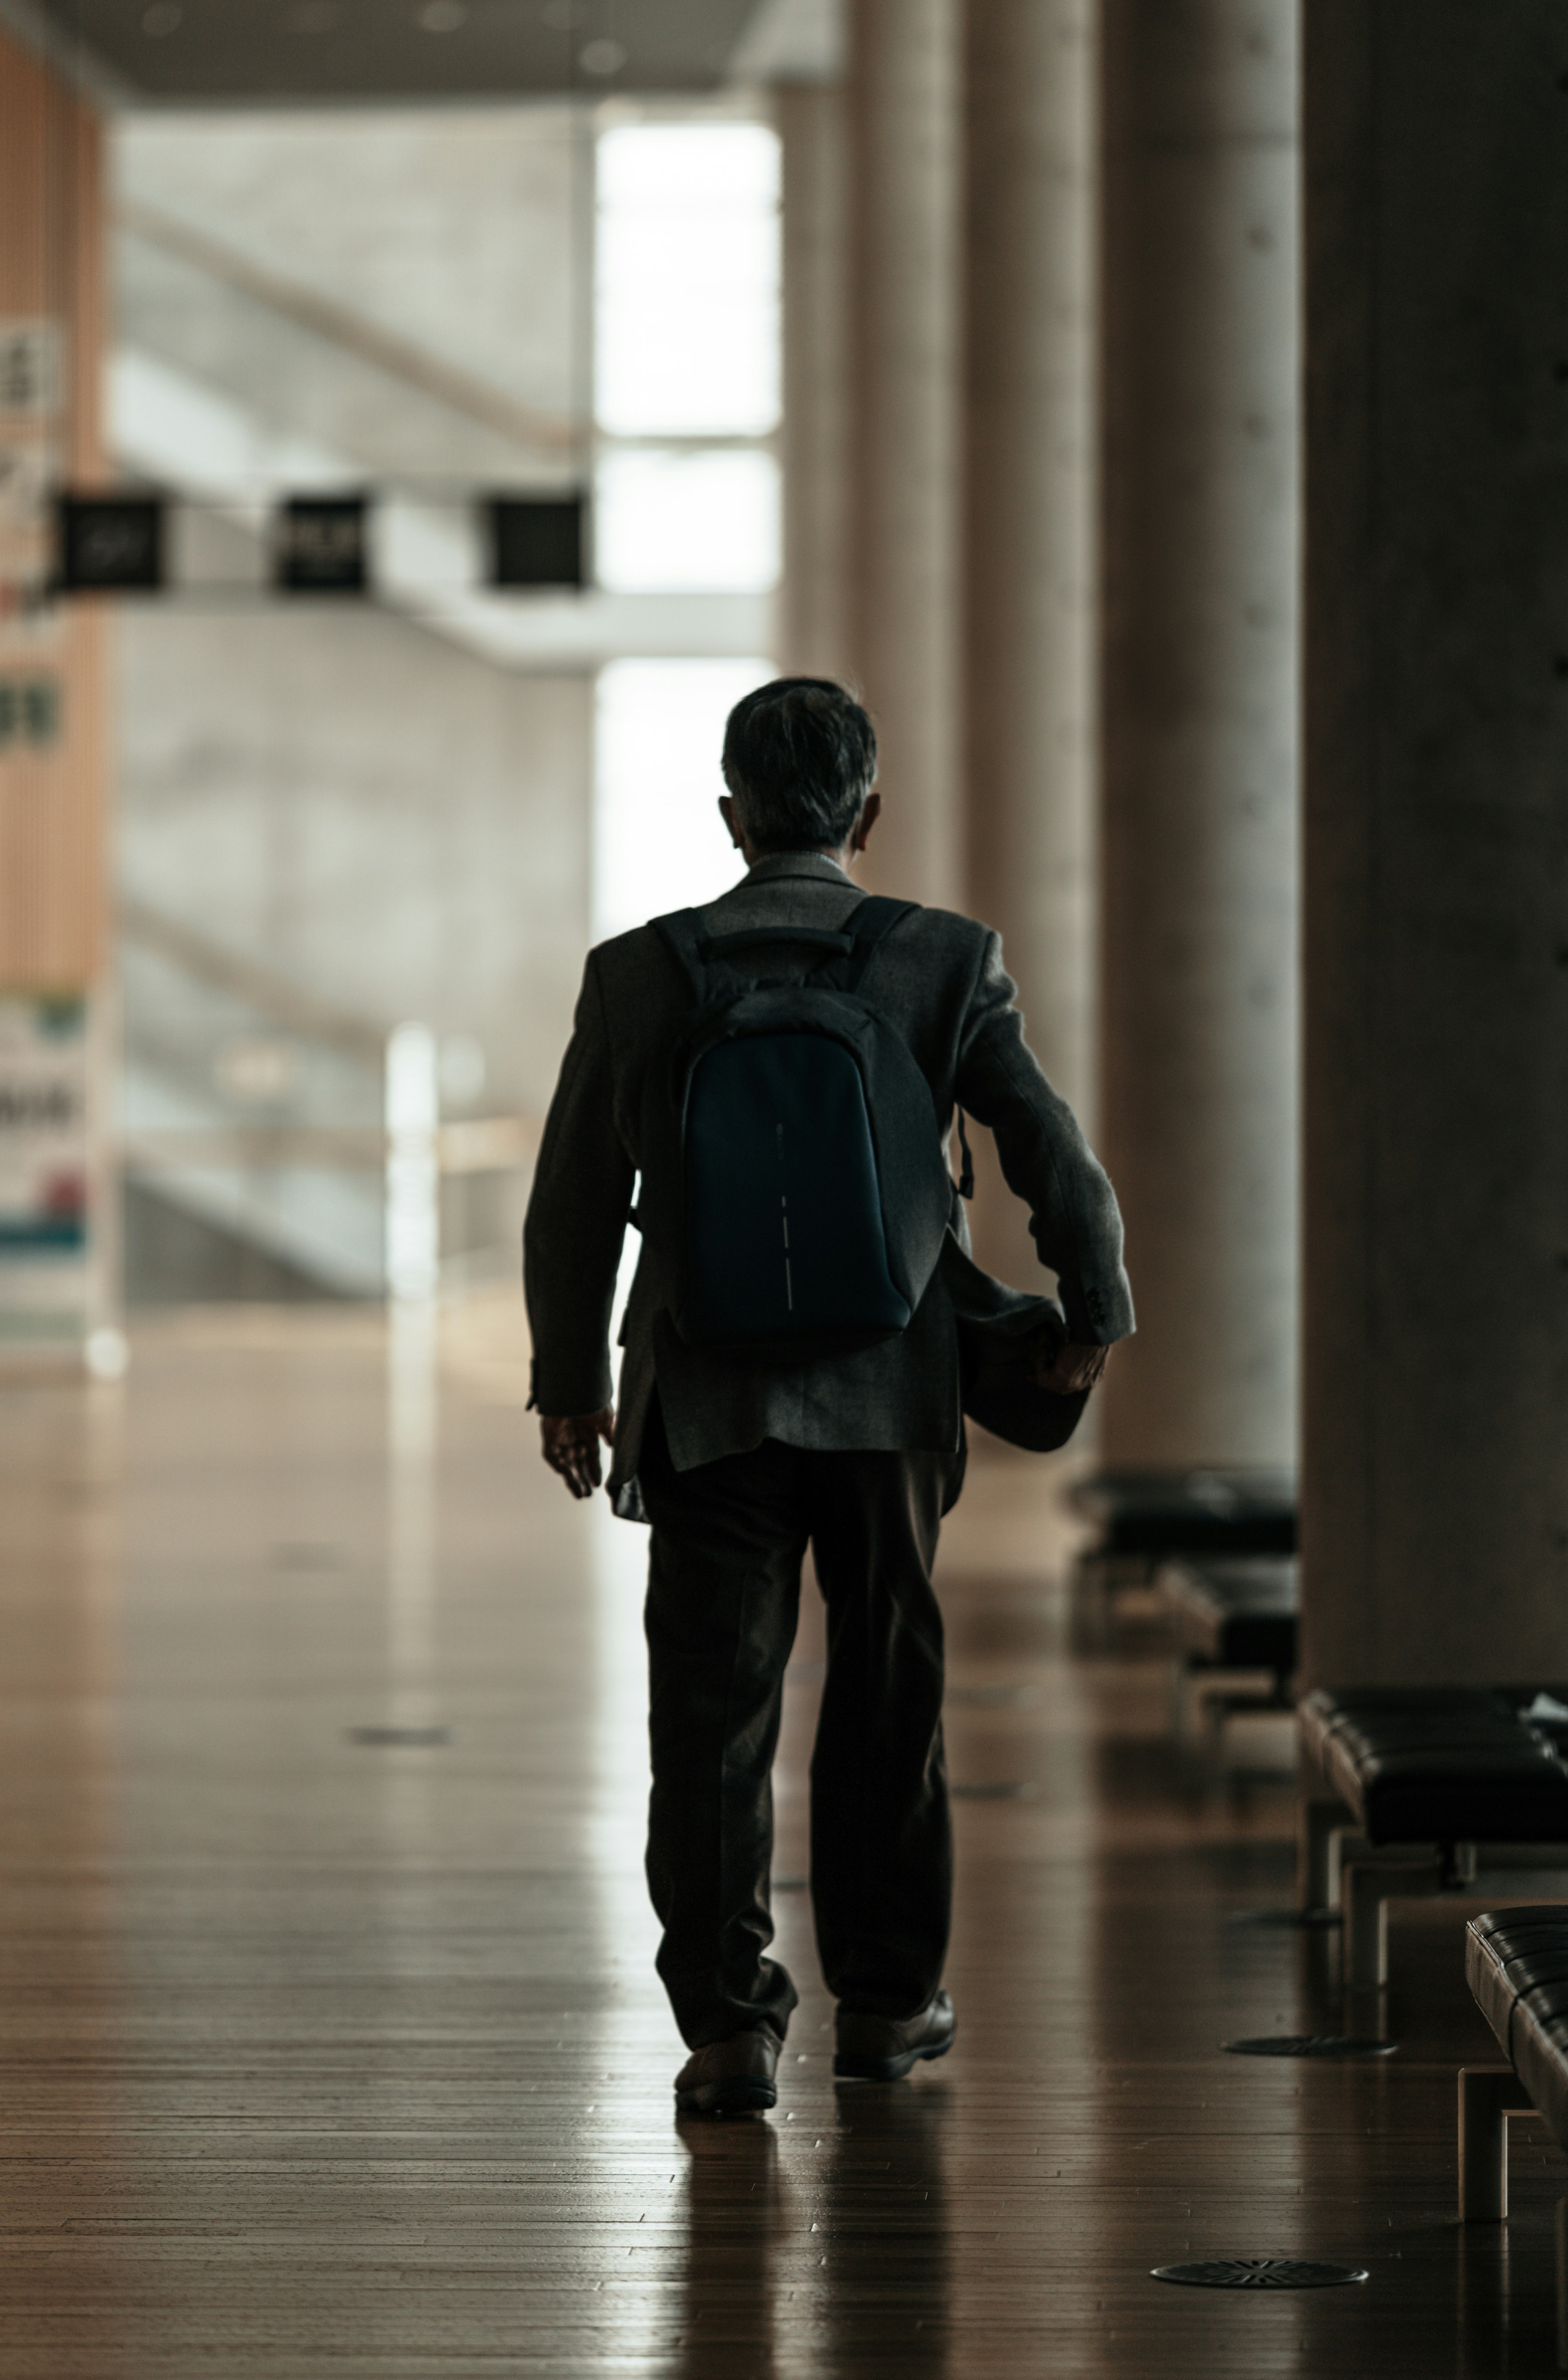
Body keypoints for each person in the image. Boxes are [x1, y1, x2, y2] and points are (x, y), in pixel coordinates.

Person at [524, 678, 1133, 2116]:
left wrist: (566, 1384)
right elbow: (1051, 1153)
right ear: (868, 814)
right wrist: (1089, 1310)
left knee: (710, 1715)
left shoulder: (637, 973)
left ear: (732, 815)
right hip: (887, 1398)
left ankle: (730, 2028)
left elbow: (569, 1204)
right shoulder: (940, 959)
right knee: (886, 1700)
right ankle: (885, 2003)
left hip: (707, 1404)